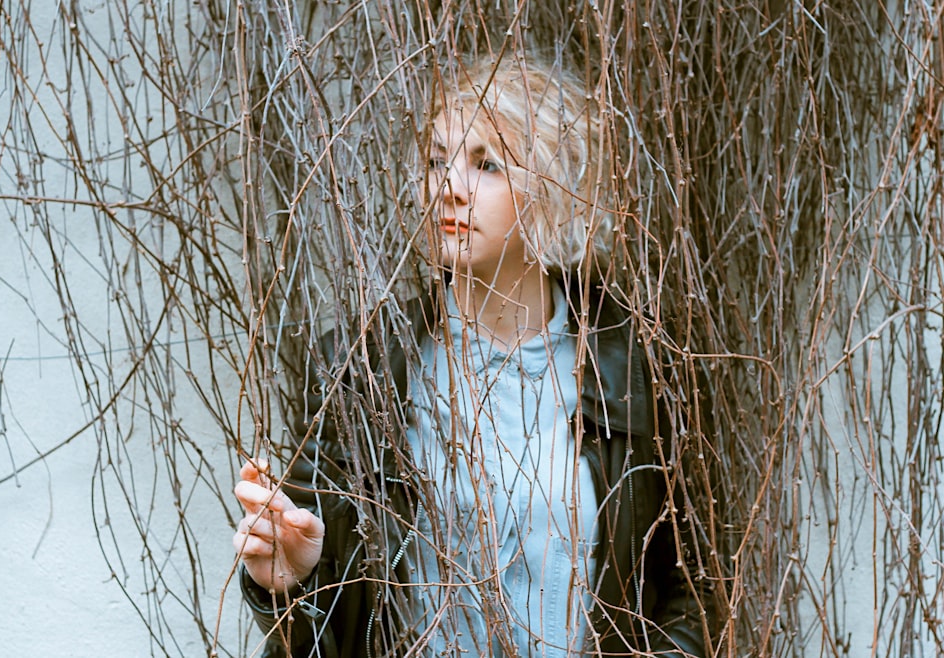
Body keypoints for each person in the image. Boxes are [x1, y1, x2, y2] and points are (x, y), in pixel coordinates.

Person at [233, 58, 710, 657]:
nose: (449, 187)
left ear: (557, 190)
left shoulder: (636, 365)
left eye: (486, 164)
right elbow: (325, 633)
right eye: (438, 161)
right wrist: (291, 582)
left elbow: (689, 587)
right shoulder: (363, 368)